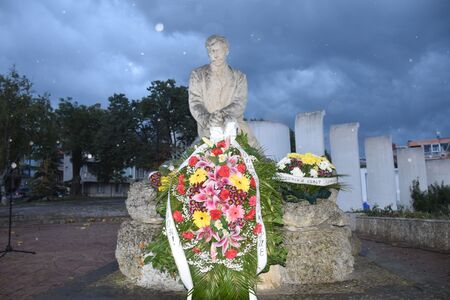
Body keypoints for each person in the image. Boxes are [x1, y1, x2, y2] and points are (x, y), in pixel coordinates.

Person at [188, 35, 259, 147]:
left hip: (237, 129)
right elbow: (195, 102)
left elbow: (240, 102)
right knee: (196, 160)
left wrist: (223, 115)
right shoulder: (197, 75)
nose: (215, 55)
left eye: (218, 50)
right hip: (208, 131)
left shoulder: (239, 77)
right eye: (211, 51)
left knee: (257, 160)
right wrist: (208, 119)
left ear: (227, 50)